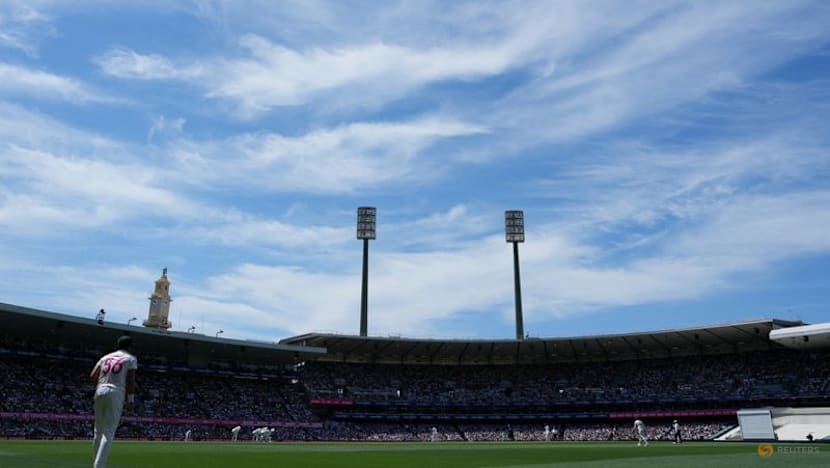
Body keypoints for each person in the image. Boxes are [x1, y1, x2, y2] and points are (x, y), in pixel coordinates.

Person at [91, 335, 138, 468]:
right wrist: (130, 401)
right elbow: (130, 381)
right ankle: (99, 466)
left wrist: (103, 384)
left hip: (100, 390)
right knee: (108, 432)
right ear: (130, 346)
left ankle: (96, 463)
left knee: (98, 431)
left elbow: (93, 376)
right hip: (116, 392)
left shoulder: (105, 357)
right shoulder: (131, 358)